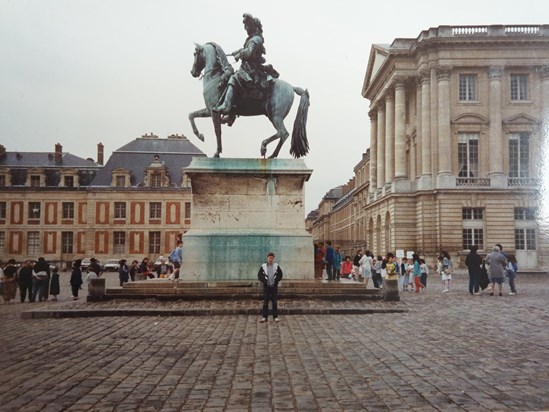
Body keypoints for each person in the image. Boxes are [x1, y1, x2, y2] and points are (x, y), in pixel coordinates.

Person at [214, 13, 278, 115]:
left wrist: (239, 55)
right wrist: (237, 51)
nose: (246, 28)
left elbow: (249, 52)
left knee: (233, 78)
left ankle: (226, 105)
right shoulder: (252, 39)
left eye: (248, 26)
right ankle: (232, 114)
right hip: (248, 67)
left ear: (254, 27)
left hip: (252, 69)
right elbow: (246, 49)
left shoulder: (256, 39)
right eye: (245, 26)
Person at [258, 252, 283, 322]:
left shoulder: (276, 266)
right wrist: (264, 280)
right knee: (265, 302)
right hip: (267, 287)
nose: (270, 259)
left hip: (274, 287)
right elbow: (259, 275)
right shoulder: (263, 266)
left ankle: (275, 317)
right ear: (267, 258)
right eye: (269, 258)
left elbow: (280, 274)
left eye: (272, 258)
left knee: (274, 302)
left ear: (273, 258)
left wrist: (276, 280)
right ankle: (264, 317)